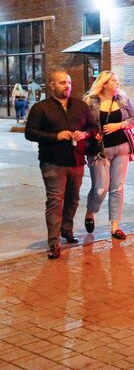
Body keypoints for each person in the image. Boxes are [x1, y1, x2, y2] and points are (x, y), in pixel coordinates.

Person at [24, 71, 98, 259]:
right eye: (63, 83)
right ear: (52, 85)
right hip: (53, 162)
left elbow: (92, 127)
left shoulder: (80, 106)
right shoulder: (41, 108)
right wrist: (55, 136)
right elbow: (30, 133)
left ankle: (67, 230)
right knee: (56, 201)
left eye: (69, 83)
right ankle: (54, 242)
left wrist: (85, 134)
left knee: (73, 199)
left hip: (77, 160)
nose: (67, 86)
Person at [82, 71, 134, 241]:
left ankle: (115, 226)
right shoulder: (90, 102)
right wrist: (92, 133)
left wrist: (120, 125)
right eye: (114, 81)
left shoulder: (122, 99)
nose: (117, 83)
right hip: (100, 151)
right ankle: (90, 211)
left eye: (117, 80)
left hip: (122, 148)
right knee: (100, 188)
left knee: (118, 188)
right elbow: (83, 124)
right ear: (104, 83)